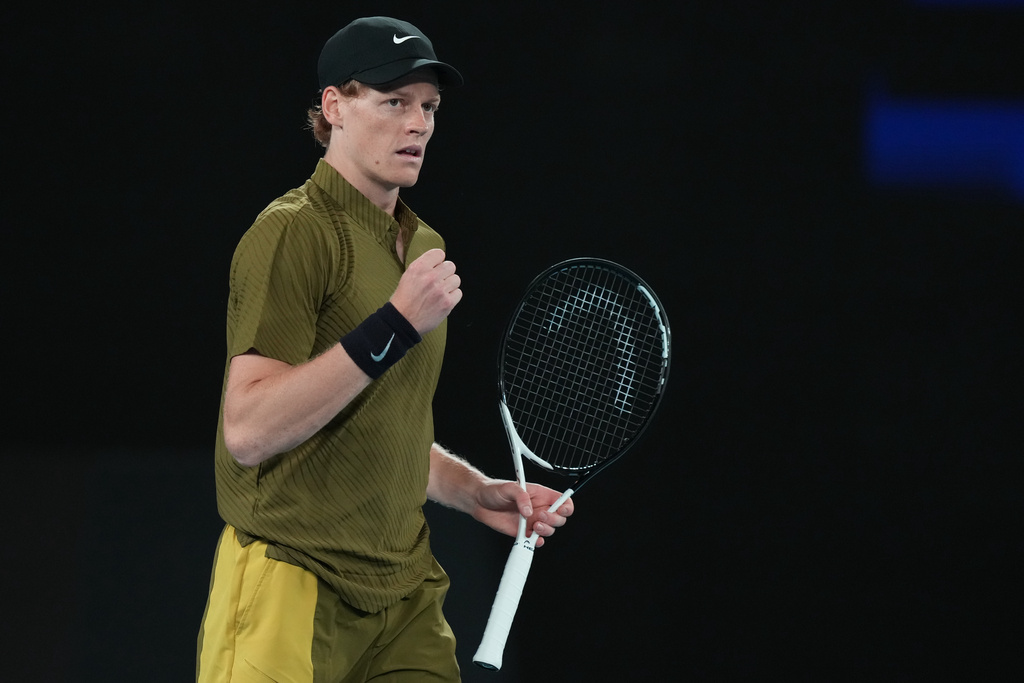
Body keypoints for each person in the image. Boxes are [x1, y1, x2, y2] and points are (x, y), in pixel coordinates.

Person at [195, 16, 574, 683]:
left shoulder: (423, 245)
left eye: (428, 106)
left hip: (405, 597)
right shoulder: (292, 234)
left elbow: (383, 427)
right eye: (394, 100)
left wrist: (477, 491)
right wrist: (394, 325)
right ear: (334, 107)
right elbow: (249, 430)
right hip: (293, 581)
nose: (419, 123)